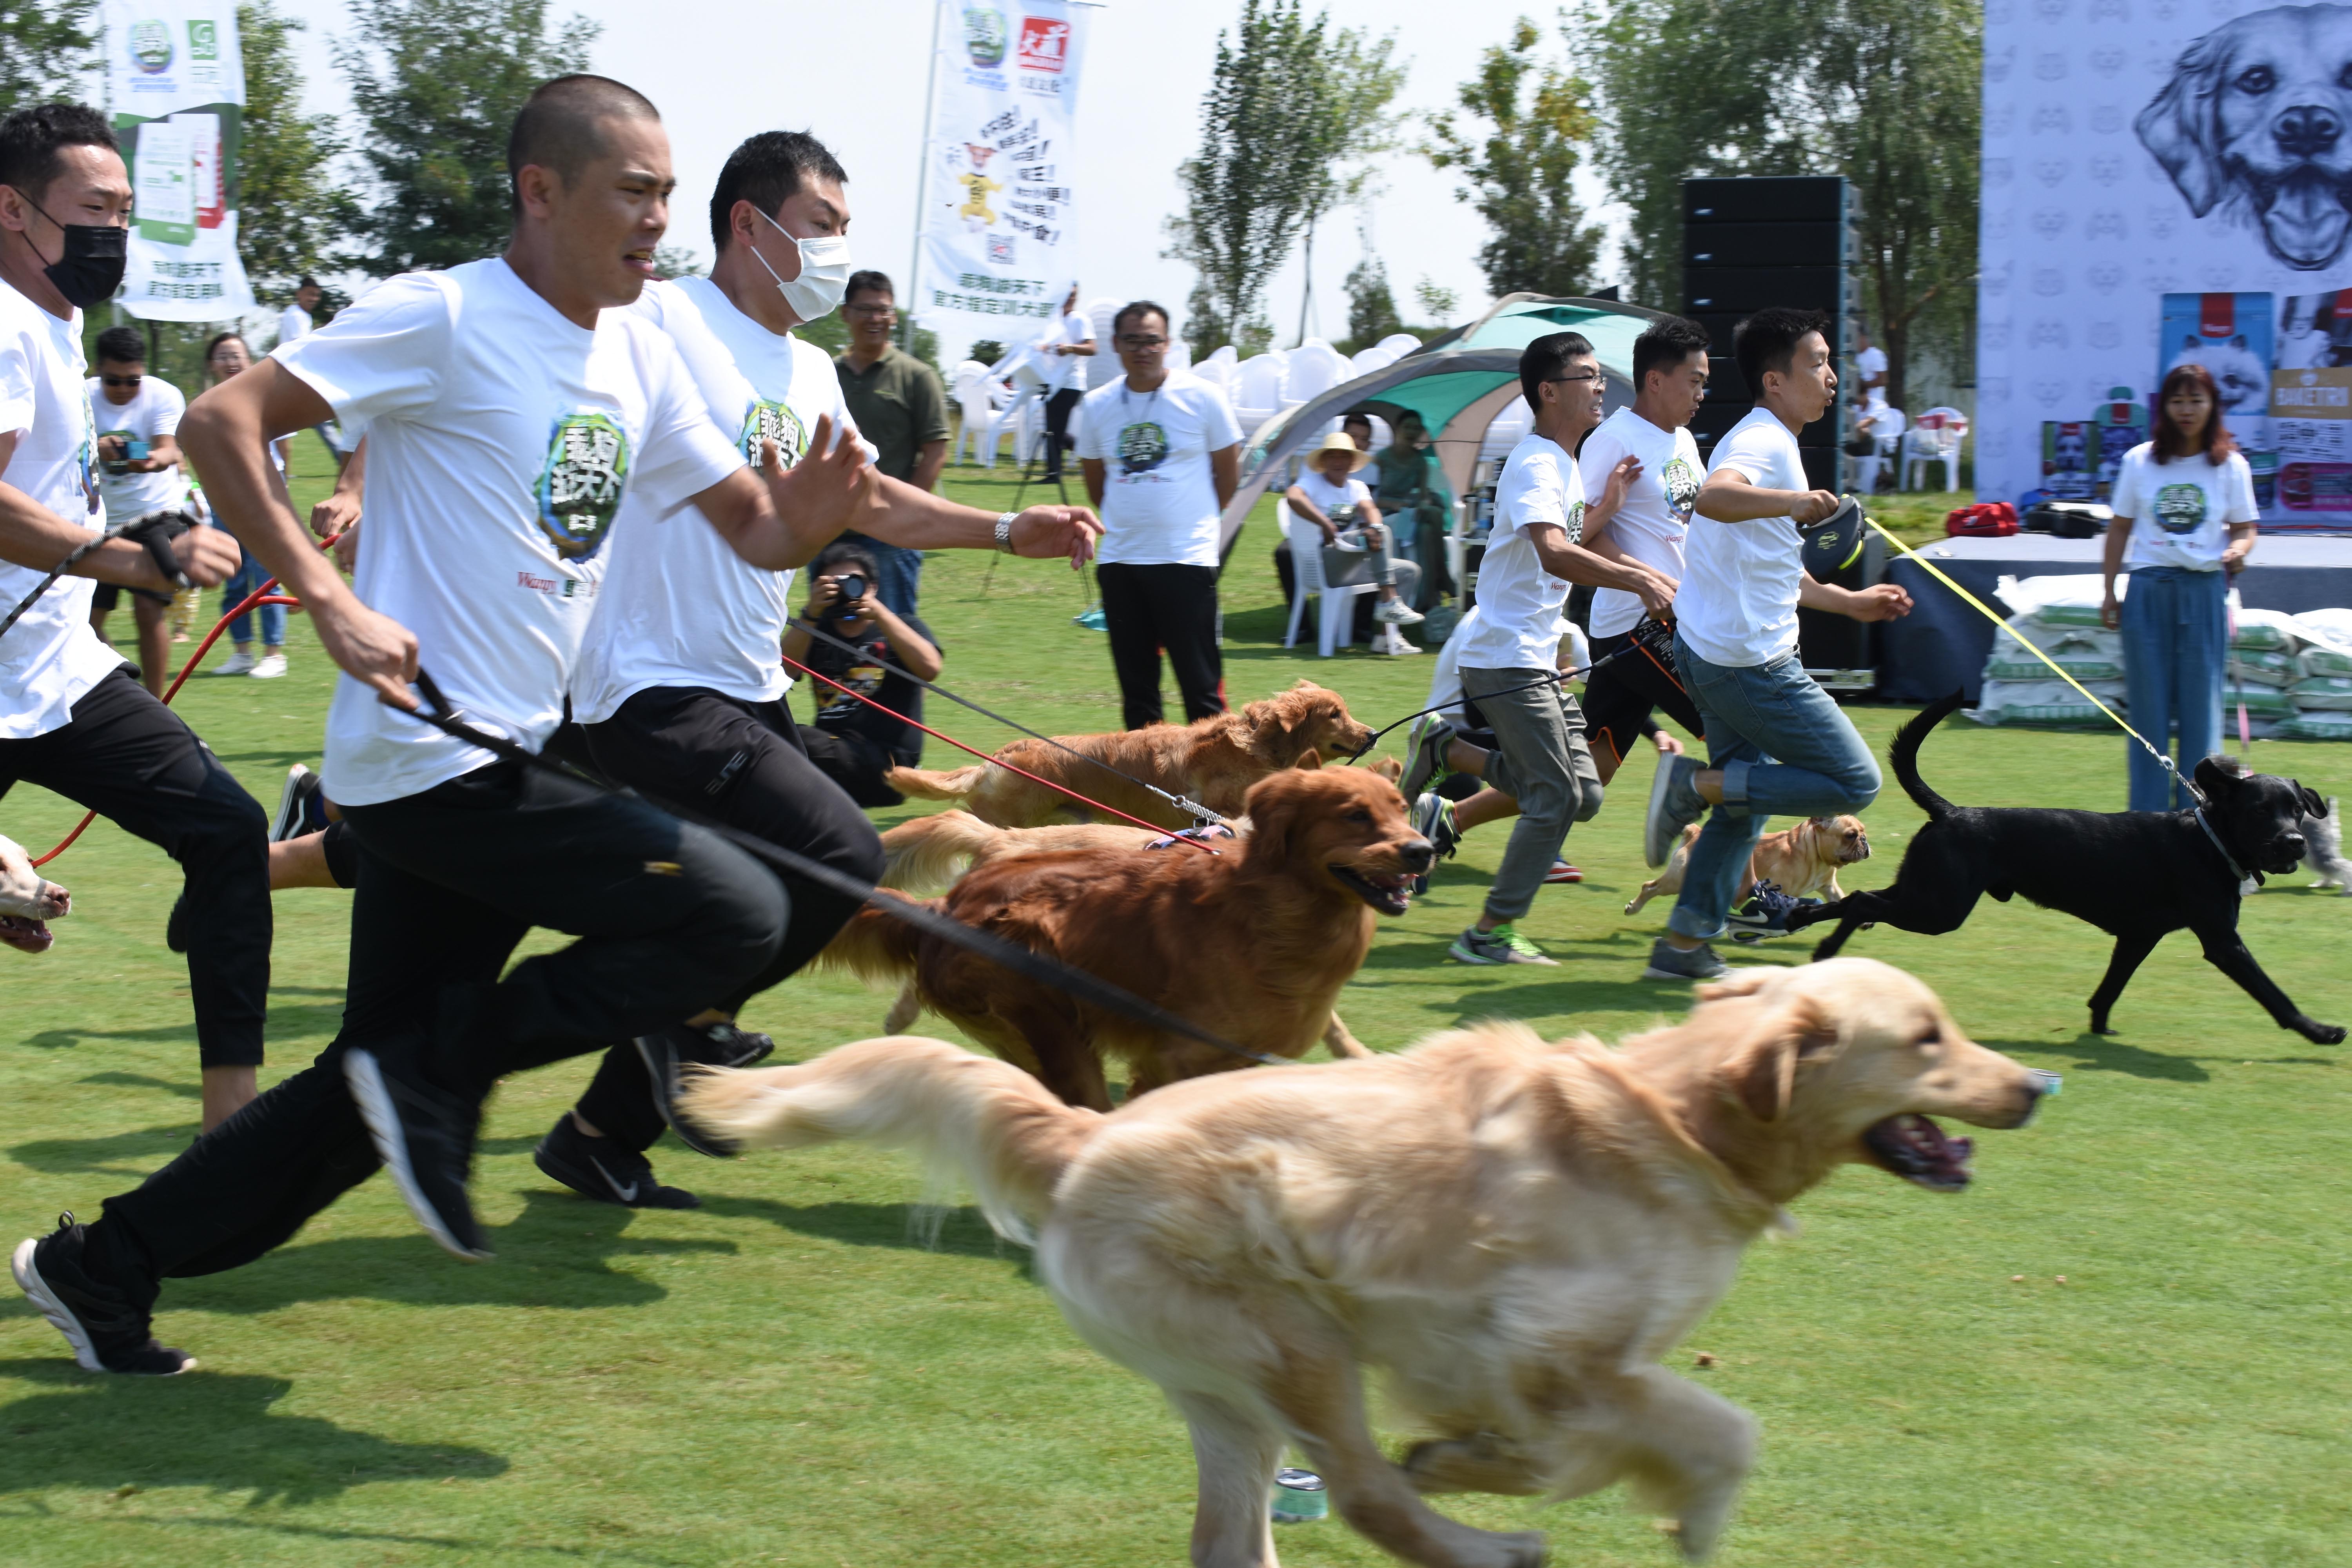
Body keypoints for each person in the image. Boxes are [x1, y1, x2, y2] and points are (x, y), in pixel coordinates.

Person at [5, 77, 900, 1376]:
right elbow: (222, 420)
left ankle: (103, 1269)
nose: (659, 218)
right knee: (738, 913)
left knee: (367, 1088)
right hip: (430, 756)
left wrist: (813, 516)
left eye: (665, 190)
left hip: (515, 749)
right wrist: (323, 600)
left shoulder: (643, 346)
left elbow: (755, 527)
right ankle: (448, 1069)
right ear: (542, 194)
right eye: (632, 192)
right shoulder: (448, 313)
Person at [559, 127, 1092, 1210]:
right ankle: (672, 1024)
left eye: (846, 233)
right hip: (642, 675)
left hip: (752, 676)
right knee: (839, 856)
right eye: (822, 229)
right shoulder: (658, 320)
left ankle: (605, 1128)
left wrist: (1004, 529)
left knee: (768, 897)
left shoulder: (805, 369)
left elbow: (869, 500)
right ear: (749, 226)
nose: (841, 257)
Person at [0, 102, 262, 1135]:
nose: (116, 229)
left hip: (56, 671)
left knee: (230, 833)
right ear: (13, 210)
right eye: (94, 208)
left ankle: (228, 1137)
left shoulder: (53, 325)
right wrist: (127, 558)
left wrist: (142, 541)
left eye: (125, 208)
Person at [1640, 306, 1912, 982]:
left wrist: (1850, 602)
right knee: (1856, 779)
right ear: (1774, 382)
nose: (1831, 376)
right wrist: (1793, 504)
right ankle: (1691, 783)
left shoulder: (1776, 442)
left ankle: (1681, 949)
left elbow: (1771, 567)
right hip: (1746, 667)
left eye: (1830, 363)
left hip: (1714, 656)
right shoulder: (1761, 444)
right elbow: (1713, 496)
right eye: (1817, 364)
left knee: (1744, 806)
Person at [1436, 330, 1671, 967]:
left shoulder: (1562, 465)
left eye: (1600, 376)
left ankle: (1447, 751)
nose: (1600, 387)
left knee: (1584, 791)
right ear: (1548, 391)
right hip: (1505, 657)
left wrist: (1604, 509)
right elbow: (1552, 550)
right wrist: (1637, 576)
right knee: (1556, 797)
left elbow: (1562, 539)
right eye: (1587, 377)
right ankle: (1488, 933)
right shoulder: (1538, 462)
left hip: (1534, 658)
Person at [1076, 300, 1242, 730]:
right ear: (1115, 345)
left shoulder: (1203, 397)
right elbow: (1096, 483)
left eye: (1152, 340)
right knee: (1138, 694)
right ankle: (1144, 794)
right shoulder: (1096, 406)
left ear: (1168, 343)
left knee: (1201, 689)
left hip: (1185, 560)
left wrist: (1195, 521)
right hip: (1121, 563)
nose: (1143, 349)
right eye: (1132, 340)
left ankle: (1214, 794)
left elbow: (1228, 474)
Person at [2100, 361, 2257, 810]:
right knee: (2147, 718)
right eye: (2178, 400)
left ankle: (2198, 826)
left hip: (2205, 591)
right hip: (2148, 589)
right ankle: (2146, 827)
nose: (2187, 410)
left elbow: (2246, 528)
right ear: (2164, 406)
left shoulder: (2231, 466)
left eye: (2197, 400)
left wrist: (2239, 550)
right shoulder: (2140, 460)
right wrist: (2110, 591)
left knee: (2202, 717)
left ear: (2213, 405)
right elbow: (2119, 530)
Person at [1569, 314, 1713, 782]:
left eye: (1704, 383)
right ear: (1655, 380)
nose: (1701, 394)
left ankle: (1453, 807)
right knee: (1734, 727)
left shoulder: (1686, 440)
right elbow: (1578, 536)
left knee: (1593, 768)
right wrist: (1648, 578)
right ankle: (1685, 795)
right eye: (1694, 381)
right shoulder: (1613, 439)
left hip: (1675, 616)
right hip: (1636, 624)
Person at [781, 539, 942, 806]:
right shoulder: (814, 632)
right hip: (832, 753)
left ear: (874, 587)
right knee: (771, 729)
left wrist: (879, 613)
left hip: (891, 768)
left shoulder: (903, 626)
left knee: (797, 739)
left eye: (853, 582)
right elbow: (778, 674)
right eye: (832, 584)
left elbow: (931, 668)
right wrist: (810, 614)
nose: (845, 591)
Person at [832, 269, 950, 615]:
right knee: (830, 635)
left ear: (894, 316)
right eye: (866, 309)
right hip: (831, 528)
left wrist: (902, 514)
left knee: (893, 636)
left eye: (884, 310)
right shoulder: (824, 373)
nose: (876, 318)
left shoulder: (917, 377)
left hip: (892, 535)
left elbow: (935, 453)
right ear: (846, 314)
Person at [85, 324, 187, 696]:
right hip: (97, 521)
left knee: (148, 612)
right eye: (114, 381)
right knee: (86, 625)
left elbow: (169, 451)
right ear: (97, 371)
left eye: (133, 381)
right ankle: (129, 690)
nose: (125, 389)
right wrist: (97, 445)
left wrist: (141, 458)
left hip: (155, 515)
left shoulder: (163, 395)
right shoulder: (80, 397)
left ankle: (158, 704)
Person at [1283, 429, 1421, 653]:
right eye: (1333, 456)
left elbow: (1371, 511)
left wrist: (1373, 527)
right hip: (1325, 561)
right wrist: (1325, 523)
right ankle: (1389, 598)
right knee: (1378, 531)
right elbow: (1293, 496)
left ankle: (1385, 638)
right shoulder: (1313, 482)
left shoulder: (1357, 487)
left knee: (1409, 570)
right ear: (1324, 460)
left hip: (1351, 561)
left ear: (1352, 461)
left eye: (1344, 456)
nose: (1338, 462)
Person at [200, 331, 288, 678]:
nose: (230, 363)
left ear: (249, 361)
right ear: (212, 365)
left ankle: (274, 654)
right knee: (233, 577)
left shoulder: (265, 401)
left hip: (264, 495)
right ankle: (242, 653)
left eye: (236, 356)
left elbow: (283, 452)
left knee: (267, 576)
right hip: (224, 496)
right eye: (222, 357)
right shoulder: (205, 405)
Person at [1370, 408, 1452, 606]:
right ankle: (1443, 578)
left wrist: (1423, 503)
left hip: (1409, 514)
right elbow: (1371, 499)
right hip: (1385, 515)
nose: (1411, 432)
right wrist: (1396, 504)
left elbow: (1423, 495)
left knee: (1426, 529)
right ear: (1397, 429)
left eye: (1416, 428)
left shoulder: (1420, 462)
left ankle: (1425, 595)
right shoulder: (1381, 458)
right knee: (1433, 516)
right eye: (1407, 427)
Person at [274, 275, 348, 466]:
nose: (313, 299)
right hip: (297, 378)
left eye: (316, 295)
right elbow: (304, 346)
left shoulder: (299, 315)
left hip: (294, 377)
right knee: (324, 420)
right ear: (299, 294)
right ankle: (347, 461)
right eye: (310, 294)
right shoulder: (296, 315)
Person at [1035, 283, 1095, 483]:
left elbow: (1092, 348)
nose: (1071, 298)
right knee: (1054, 428)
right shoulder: (1054, 320)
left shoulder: (1079, 319)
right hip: (1053, 381)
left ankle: (1054, 474)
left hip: (1071, 382)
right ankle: (1085, 453)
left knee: (1056, 428)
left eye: (1074, 295)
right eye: (1068, 294)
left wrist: (1069, 348)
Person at [1851, 321, 1887, 399]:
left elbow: (1883, 381)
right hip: (1860, 404)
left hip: (1874, 403)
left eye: (1857, 338)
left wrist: (1863, 384)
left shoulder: (1876, 354)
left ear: (1863, 338)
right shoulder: (1857, 356)